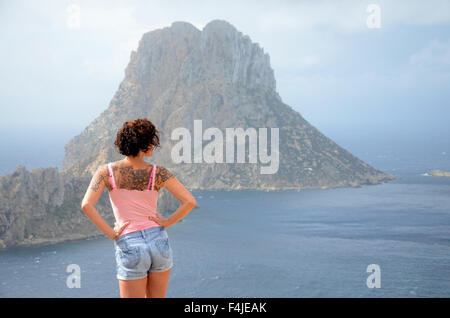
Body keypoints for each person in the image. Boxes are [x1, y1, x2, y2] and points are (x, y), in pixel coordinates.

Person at [81, 118, 197, 298]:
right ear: (144, 144)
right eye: (151, 141)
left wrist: (112, 233)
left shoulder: (106, 172)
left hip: (130, 243)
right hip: (159, 242)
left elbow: (86, 205)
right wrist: (166, 222)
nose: (153, 145)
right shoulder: (159, 173)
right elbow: (190, 202)